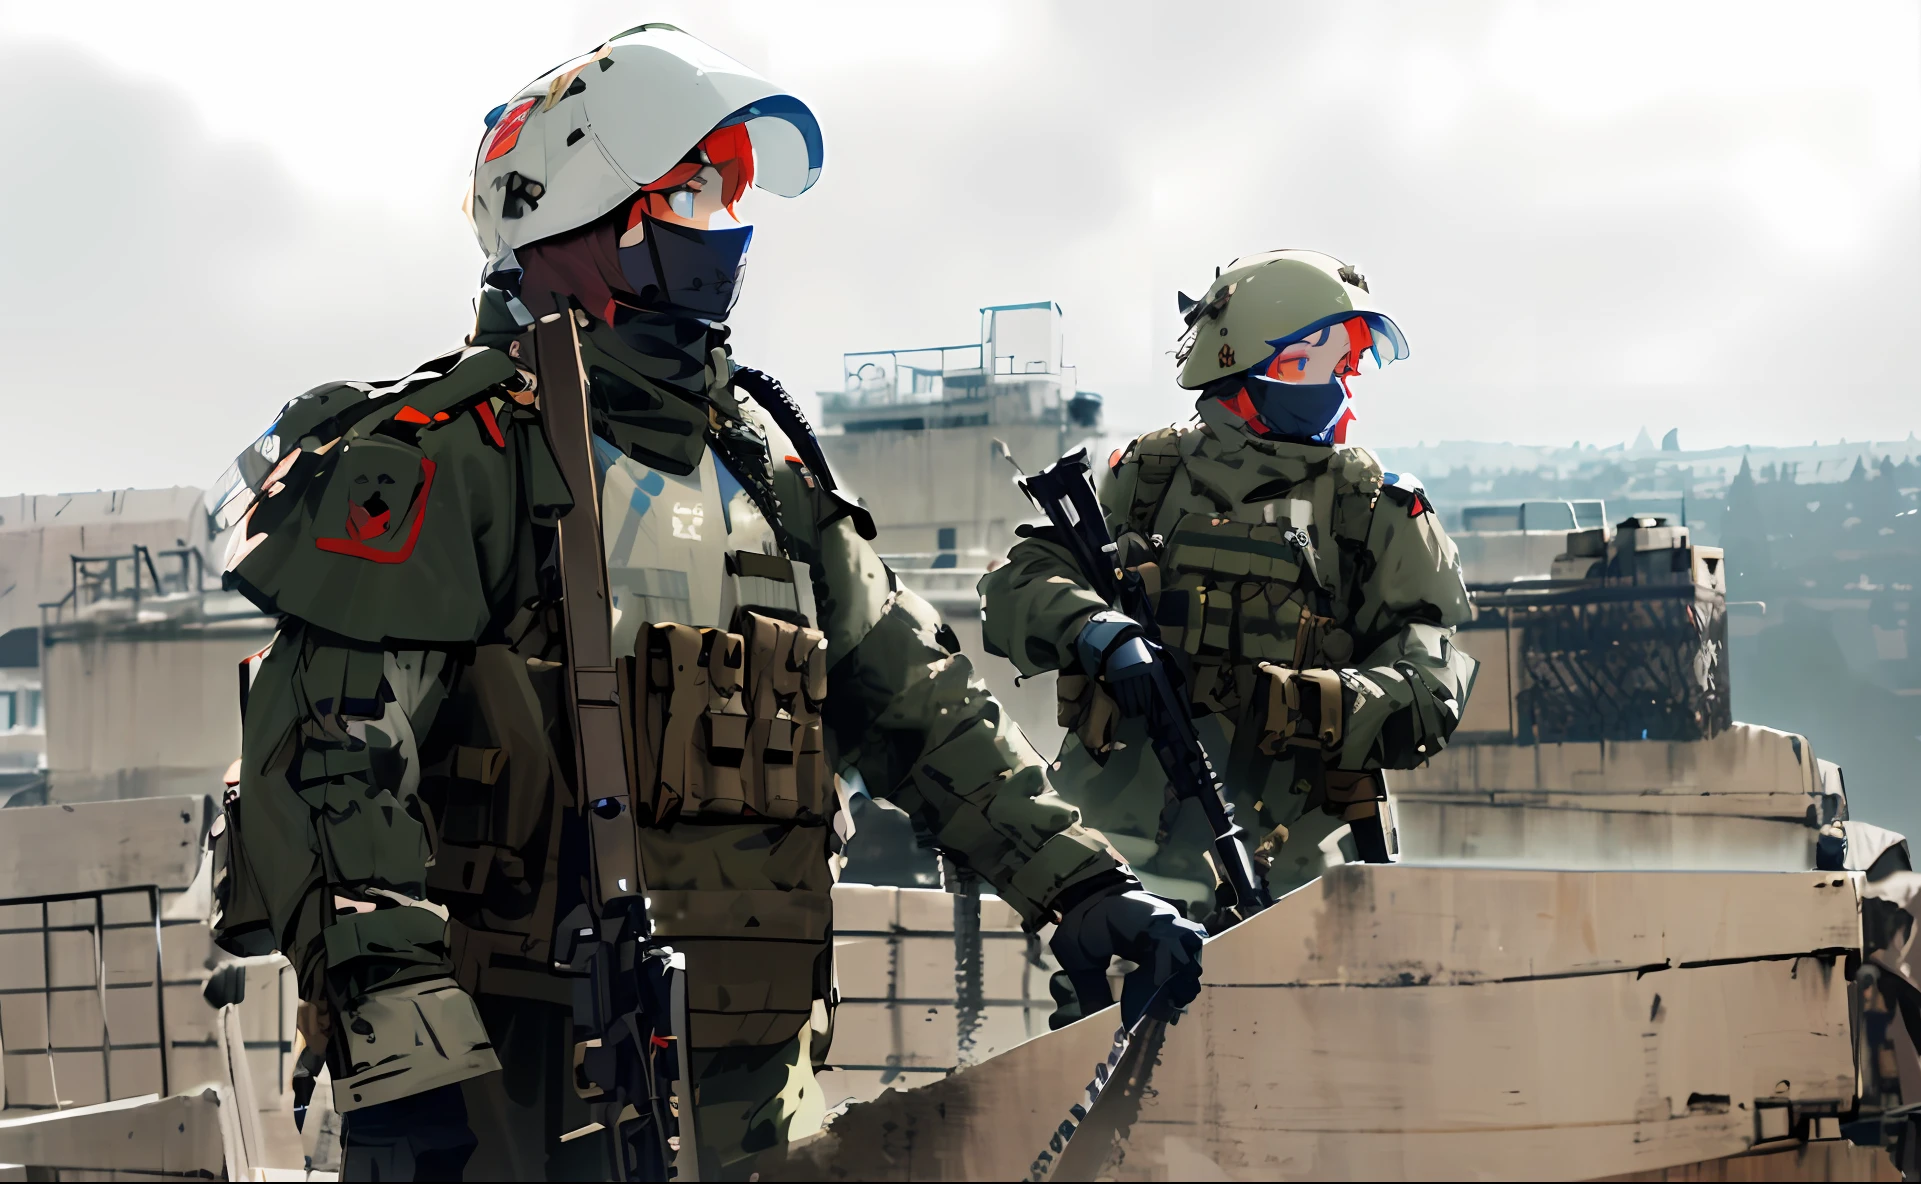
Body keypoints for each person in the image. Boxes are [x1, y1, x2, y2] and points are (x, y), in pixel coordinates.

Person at [206, 24, 1201, 1179]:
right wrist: (398, 1049)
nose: (726, 224)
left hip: (756, 1093)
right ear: (580, 211)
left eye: (731, 192)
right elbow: (329, 758)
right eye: (693, 189)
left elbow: (924, 709)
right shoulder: (454, 457)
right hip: (507, 1100)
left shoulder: (761, 478)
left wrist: (1081, 885)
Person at [979, 250, 1476, 916]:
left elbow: (1433, 689)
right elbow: (1016, 590)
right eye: (1321, 363)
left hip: (1298, 869)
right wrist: (1094, 629)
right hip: (1123, 857)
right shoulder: (1147, 475)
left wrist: (1310, 704)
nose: (1342, 388)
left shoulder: (1374, 508)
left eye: (1347, 366)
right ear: (1245, 363)